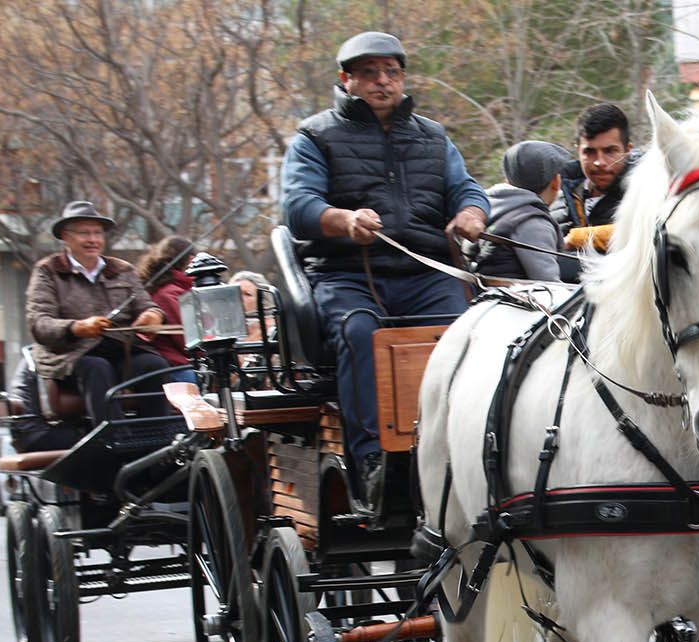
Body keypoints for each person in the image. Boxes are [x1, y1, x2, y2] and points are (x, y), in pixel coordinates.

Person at [279, 30, 490, 514]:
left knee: (466, 334)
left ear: (402, 78)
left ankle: (469, 450)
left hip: (424, 271)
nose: (382, 81)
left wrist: (472, 214)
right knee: (361, 333)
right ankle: (373, 465)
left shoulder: (432, 136)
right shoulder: (315, 135)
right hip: (347, 273)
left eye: (391, 72)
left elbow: (466, 189)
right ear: (346, 79)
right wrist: (344, 220)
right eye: (369, 72)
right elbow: (298, 206)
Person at [24, 201, 171, 423]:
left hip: (122, 352)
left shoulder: (123, 270)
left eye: (98, 233)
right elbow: (39, 324)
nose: (93, 240)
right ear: (65, 236)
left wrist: (153, 316)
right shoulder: (48, 271)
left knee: (155, 365)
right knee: (98, 367)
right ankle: (112, 435)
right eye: (84, 233)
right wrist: (77, 328)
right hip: (70, 357)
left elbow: (147, 305)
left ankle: (158, 432)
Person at [551, 102, 642, 277]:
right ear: (578, 151)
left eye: (610, 151)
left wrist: (576, 239)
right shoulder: (557, 189)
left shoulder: (644, 189)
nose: (599, 162)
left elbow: (646, 231)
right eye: (590, 152)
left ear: (627, 150)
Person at [468, 141, 571, 282]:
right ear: (555, 182)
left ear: (508, 179)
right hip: (513, 294)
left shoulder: (485, 208)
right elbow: (548, 282)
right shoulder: (534, 222)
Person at [136, 236, 199, 384]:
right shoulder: (170, 293)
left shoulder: (172, 289)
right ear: (190, 260)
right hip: (176, 365)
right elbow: (188, 340)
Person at [227, 270, 272, 341]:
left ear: (261, 300)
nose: (239, 297)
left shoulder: (270, 330)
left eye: (247, 294)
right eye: (235, 292)